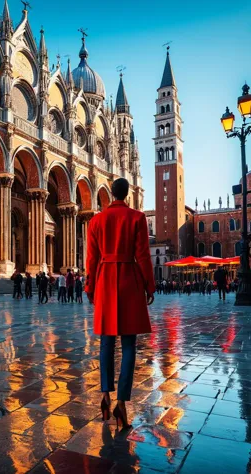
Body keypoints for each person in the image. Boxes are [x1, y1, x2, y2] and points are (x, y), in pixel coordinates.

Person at [85, 178, 155, 429]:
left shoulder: (96, 220)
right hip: (129, 280)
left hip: (104, 280)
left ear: (111, 194)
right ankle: (122, 404)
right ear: (127, 195)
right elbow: (144, 255)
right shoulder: (137, 218)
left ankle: (105, 396)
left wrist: (89, 286)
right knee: (128, 345)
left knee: (106, 342)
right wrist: (150, 285)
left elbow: (91, 259)